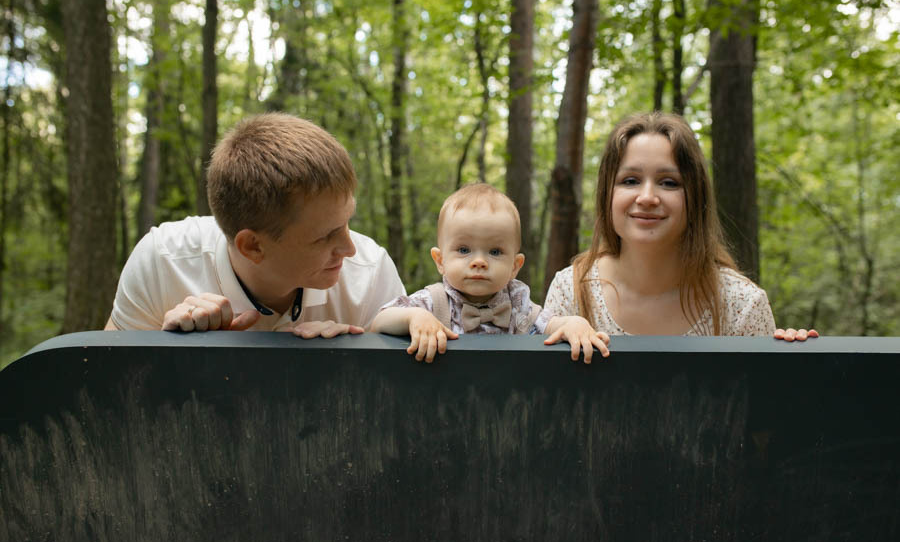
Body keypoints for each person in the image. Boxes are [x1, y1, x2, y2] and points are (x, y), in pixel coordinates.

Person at [105, 113, 405, 336]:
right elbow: (109, 393)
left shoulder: (370, 273)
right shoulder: (164, 262)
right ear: (253, 246)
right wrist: (177, 353)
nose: (350, 249)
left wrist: (346, 359)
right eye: (325, 237)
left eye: (346, 223)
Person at [543, 112, 818, 340]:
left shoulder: (741, 304)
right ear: (607, 195)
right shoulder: (572, 290)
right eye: (630, 180)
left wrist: (794, 362)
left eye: (669, 182)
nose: (647, 197)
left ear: (695, 199)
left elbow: (764, 402)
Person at [370, 183, 610, 363]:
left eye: (495, 251)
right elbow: (379, 322)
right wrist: (414, 318)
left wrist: (574, 323)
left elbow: (551, 324)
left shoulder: (519, 305)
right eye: (464, 250)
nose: (479, 262)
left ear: (515, 266)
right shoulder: (433, 302)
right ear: (440, 260)